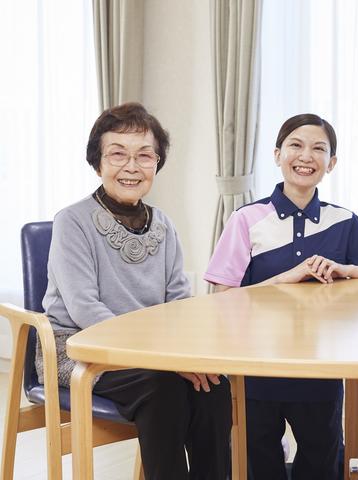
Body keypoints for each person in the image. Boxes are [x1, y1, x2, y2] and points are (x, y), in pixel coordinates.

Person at [204, 113, 358, 479]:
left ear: (331, 163)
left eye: (319, 149)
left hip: (322, 369)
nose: (306, 156)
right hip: (256, 369)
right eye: (296, 145)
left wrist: (348, 269)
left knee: (322, 463)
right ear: (277, 155)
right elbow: (223, 298)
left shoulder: (343, 221)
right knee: (259, 464)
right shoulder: (246, 219)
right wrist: (287, 278)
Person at [35, 102, 232, 480]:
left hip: (150, 354)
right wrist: (161, 359)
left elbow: (178, 301)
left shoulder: (164, 225)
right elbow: (84, 307)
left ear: (157, 164)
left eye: (144, 155)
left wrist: (183, 353)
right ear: (98, 163)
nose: (131, 166)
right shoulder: (72, 222)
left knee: (213, 386)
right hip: (78, 349)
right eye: (117, 154)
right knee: (163, 387)